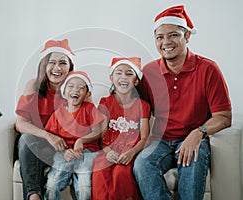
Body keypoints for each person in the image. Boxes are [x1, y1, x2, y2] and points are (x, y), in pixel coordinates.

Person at [133, 5, 232, 200]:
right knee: (142, 164)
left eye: (173, 35)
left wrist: (198, 133)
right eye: (159, 37)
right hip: (160, 141)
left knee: (192, 162)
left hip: (193, 138)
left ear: (186, 37)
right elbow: (139, 112)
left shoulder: (208, 69)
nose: (165, 42)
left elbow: (224, 117)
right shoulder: (150, 72)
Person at [15, 39, 75, 200]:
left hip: (62, 149)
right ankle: (33, 196)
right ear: (44, 66)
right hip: (36, 146)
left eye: (63, 63)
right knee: (26, 139)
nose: (57, 68)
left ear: (70, 67)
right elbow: (20, 123)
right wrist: (48, 135)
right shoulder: (33, 85)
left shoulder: (77, 88)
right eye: (52, 63)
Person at [91, 57, 151, 200]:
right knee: (100, 170)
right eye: (119, 73)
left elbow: (144, 138)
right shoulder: (105, 102)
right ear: (112, 78)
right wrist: (108, 151)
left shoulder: (143, 106)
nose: (123, 77)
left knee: (121, 174)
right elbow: (101, 136)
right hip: (109, 150)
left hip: (130, 151)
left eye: (129, 73)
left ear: (136, 81)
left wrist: (131, 152)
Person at [43, 71, 105, 200]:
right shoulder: (57, 114)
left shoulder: (89, 108)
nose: (75, 90)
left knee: (84, 186)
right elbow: (51, 138)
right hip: (65, 153)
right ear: (64, 92)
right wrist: (64, 151)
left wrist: (81, 140)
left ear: (87, 94)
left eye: (81, 87)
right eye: (71, 86)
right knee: (52, 184)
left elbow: (97, 131)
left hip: (87, 152)